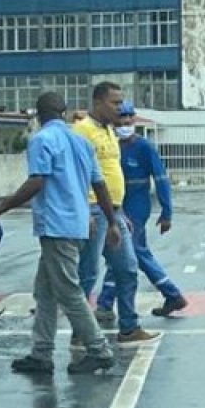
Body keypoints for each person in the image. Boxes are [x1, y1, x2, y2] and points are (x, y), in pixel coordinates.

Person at [0, 92, 122, 374]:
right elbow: (100, 185)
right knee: (45, 291)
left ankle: (99, 349)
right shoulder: (82, 142)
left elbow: (37, 182)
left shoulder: (42, 140)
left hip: (57, 227)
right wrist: (112, 221)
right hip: (79, 225)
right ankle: (41, 353)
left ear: (38, 114)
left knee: (69, 291)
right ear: (65, 113)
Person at [73, 81, 157, 345]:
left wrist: (118, 216)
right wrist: (84, 213)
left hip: (113, 212)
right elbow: (76, 176)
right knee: (87, 273)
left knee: (127, 268)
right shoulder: (81, 131)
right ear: (98, 102)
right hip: (92, 210)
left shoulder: (109, 131)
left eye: (122, 102)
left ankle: (129, 327)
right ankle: (80, 333)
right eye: (115, 103)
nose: (120, 109)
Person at [95, 102, 188, 318]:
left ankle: (108, 303)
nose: (125, 124)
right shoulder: (111, 145)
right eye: (121, 120)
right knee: (125, 252)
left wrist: (167, 212)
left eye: (129, 119)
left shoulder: (144, 147)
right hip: (116, 203)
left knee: (127, 251)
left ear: (134, 120)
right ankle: (108, 302)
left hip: (137, 205)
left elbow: (161, 178)